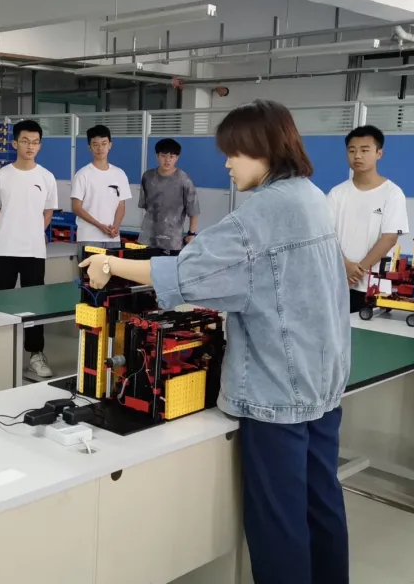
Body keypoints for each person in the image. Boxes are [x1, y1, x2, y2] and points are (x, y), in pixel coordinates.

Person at [81, 100, 351, 584]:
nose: (227, 164)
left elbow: (190, 271)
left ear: (264, 150)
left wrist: (110, 263)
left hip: (276, 388)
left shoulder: (262, 213)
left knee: (279, 521)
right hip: (322, 380)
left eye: (234, 153)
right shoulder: (312, 197)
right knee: (321, 502)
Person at [0, 119, 59, 378]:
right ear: (14, 143)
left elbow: (48, 211)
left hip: (34, 251)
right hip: (4, 249)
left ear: (40, 145)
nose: (30, 146)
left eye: (35, 142)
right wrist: (6, 232)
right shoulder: (1, 175)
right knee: (0, 299)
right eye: (25, 141)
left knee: (34, 303)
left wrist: (33, 232)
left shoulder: (46, 177)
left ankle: (36, 354)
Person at [327, 125, 409, 313]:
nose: (357, 156)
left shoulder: (392, 193)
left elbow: (389, 238)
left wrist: (357, 272)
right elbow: (326, 235)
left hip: (373, 287)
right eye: (352, 150)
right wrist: (346, 266)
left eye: (364, 150)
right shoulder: (336, 194)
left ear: (379, 153)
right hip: (337, 282)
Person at [71, 125, 132, 249]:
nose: (100, 148)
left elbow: (121, 205)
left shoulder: (119, 174)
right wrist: (100, 226)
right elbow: (76, 207)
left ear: (110, 145)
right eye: (95, 144)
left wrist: (116, 226)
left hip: (112, 237)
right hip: (89, 238)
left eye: (104, 143)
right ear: (90, 147)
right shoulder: (82, 174)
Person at [138, 138, 199, 253]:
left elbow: (193, 211)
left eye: (171, 156)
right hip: (148, 238)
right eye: (163, 156)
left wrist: (191, 234)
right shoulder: (147, 176)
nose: (167, 160)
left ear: (177, 158)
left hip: (172, 240)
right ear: (157, 156)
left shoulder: (184, 179)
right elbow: (146, 205)